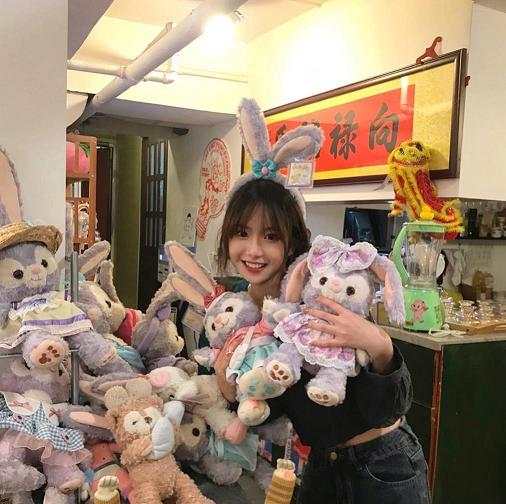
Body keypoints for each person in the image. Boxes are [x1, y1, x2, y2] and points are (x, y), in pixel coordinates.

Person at [211, 178, 430, 504]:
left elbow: (389, 409)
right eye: (242, 232)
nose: (253, 250)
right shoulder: (241, 313)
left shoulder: (324, 288)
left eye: (270, 236)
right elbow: (274, 409)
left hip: (383, 464)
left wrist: (380, 346)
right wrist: (228, 386)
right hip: (322, 466)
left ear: (291, 241)